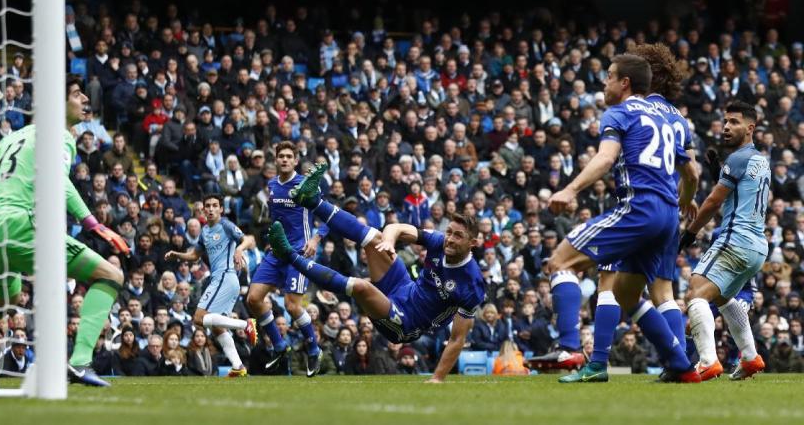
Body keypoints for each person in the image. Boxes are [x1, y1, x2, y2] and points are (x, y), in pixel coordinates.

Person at [0, 80, 129, 388]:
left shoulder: (13, 138)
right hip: (22, 226)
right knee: (111, 276)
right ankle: (80, 362)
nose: (84, 98)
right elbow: (56, 179)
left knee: (3, 302)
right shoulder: (60, 136)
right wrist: (93, 224)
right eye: (75, 93)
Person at [528, 54, 700, 383]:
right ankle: (680, 363)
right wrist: (686, 201)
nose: (604, 83)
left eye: (609, 76)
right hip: (667, 216)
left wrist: (571, 189)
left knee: (560, 262)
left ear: (625, 83)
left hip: (637, 208)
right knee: (631, 294)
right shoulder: (671, 119)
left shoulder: (619, 112)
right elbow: (691, 172)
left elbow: (606, 158)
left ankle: (569, 349)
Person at [274, 162, 487, 382]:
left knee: (361, 286)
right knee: (374, 238)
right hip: (403, 286)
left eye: (458, 236)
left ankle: (289, 254)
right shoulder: (439, 241)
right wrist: (388, 241)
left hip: (406, 323)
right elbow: (397, 228)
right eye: (449, 232)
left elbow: (457, 339)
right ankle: (311, 200)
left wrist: (437, 378)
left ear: (473, 243)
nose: (450, 239)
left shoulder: (472, 284)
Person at [682, 101, 769, 381]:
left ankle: (707, 360)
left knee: (695, 292)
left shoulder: (737, 159)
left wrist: (691, 232)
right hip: (757, 246)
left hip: (735, 240)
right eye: (726, 121)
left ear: (750, 128)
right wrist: (718, 173)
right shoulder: (760, 160)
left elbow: (712, 202)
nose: (727, 127)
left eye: (734, 122)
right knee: (723, 297)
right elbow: (741, 193)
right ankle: (750, 357)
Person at [245, 142, 326, 377]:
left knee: (292, 305)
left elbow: (328, 218)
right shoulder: (271, 185)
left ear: (296, 161)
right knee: (253, 298)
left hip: (299, 252)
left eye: (289, 156)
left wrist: (315, 239)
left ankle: (313, 349)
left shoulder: (307, 185)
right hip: (277, 252)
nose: (285, 160)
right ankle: (280, 346)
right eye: (281, 156)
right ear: (276, 159)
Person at [165, 194, 259, 377]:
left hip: (225, 276)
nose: (210, 209)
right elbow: (195, 256)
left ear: (221, 209)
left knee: (198, 318)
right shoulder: (205, 231)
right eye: (207, 205)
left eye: (215, 205)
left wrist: (240, 249)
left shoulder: (226, 225)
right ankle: (238, 366)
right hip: (222, 279)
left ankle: (245, 324)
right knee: (217, 327)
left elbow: (248, 239)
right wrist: (177, 254)